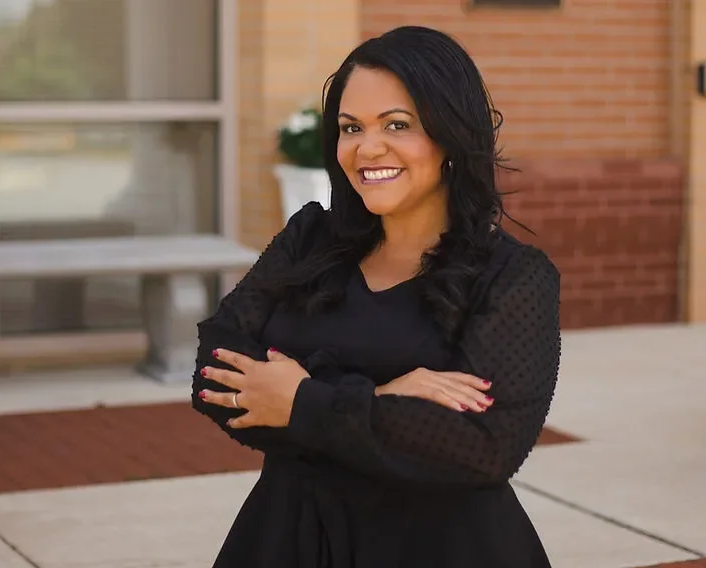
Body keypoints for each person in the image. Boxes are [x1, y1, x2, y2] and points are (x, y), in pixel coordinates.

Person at [191, 25, 560, 568]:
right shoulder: (309, 241)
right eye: (351, 127)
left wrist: (301, 401)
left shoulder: (512, 277)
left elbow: (484, 447)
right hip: (289, 538)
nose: (367, 148)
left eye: (397, 124)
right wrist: (383, 398)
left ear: (451, 134)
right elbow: (214, 375)